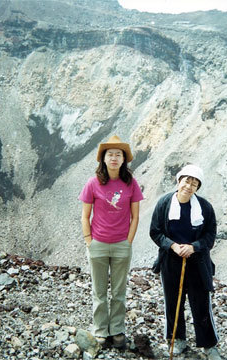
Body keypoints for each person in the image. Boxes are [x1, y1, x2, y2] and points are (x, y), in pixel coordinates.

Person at [150, 164, 222, 360]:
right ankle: (177, 339)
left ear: (198, 187)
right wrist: (172, 245)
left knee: (201, 303)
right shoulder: (164, 204)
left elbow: (210, 235)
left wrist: (194, 246)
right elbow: (155, 232)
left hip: (197, 261)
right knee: (173, 302)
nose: (189, 186)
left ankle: (208, 345)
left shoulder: (205, 208)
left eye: (194, 183)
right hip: (170, 261)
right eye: (186, 181)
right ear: (178, 181)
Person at [79, 135, 144, 349]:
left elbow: (135, 216)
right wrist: (89, 240)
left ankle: (117, 330)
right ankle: (100, 330)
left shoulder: (130, 183)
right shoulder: (93, 182)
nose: (114, 158)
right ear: (103, 159)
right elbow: (85, 215)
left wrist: (128, 241)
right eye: (110, 154)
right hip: (97, 243)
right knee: (99, 291)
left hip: (121, 245)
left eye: (118, 154)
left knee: (118, 291)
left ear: (124, 159)